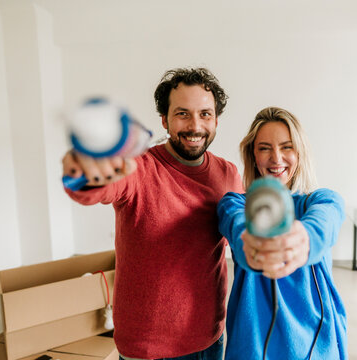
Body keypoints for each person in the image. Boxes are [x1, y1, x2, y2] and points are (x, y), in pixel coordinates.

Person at [62, 68, 243, 360]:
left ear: (216, 120)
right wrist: (85, 169)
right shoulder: (140, 167)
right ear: (165, 120)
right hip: (145, 347)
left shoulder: (227, 174)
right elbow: (98, 187)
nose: (195, 126)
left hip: (208, 339)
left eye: (205, 114)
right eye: (183, 114)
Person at [217, 107, 348, 359]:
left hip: (317, 344)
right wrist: (254, 246)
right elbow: (237, 225)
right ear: (253, 155)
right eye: (264, 148)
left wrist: (304, 237)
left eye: (287, 147)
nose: (276, 158)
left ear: (299, 153)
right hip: (253, 344)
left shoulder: (319, 200)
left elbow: (329, 215)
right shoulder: (234, 203)